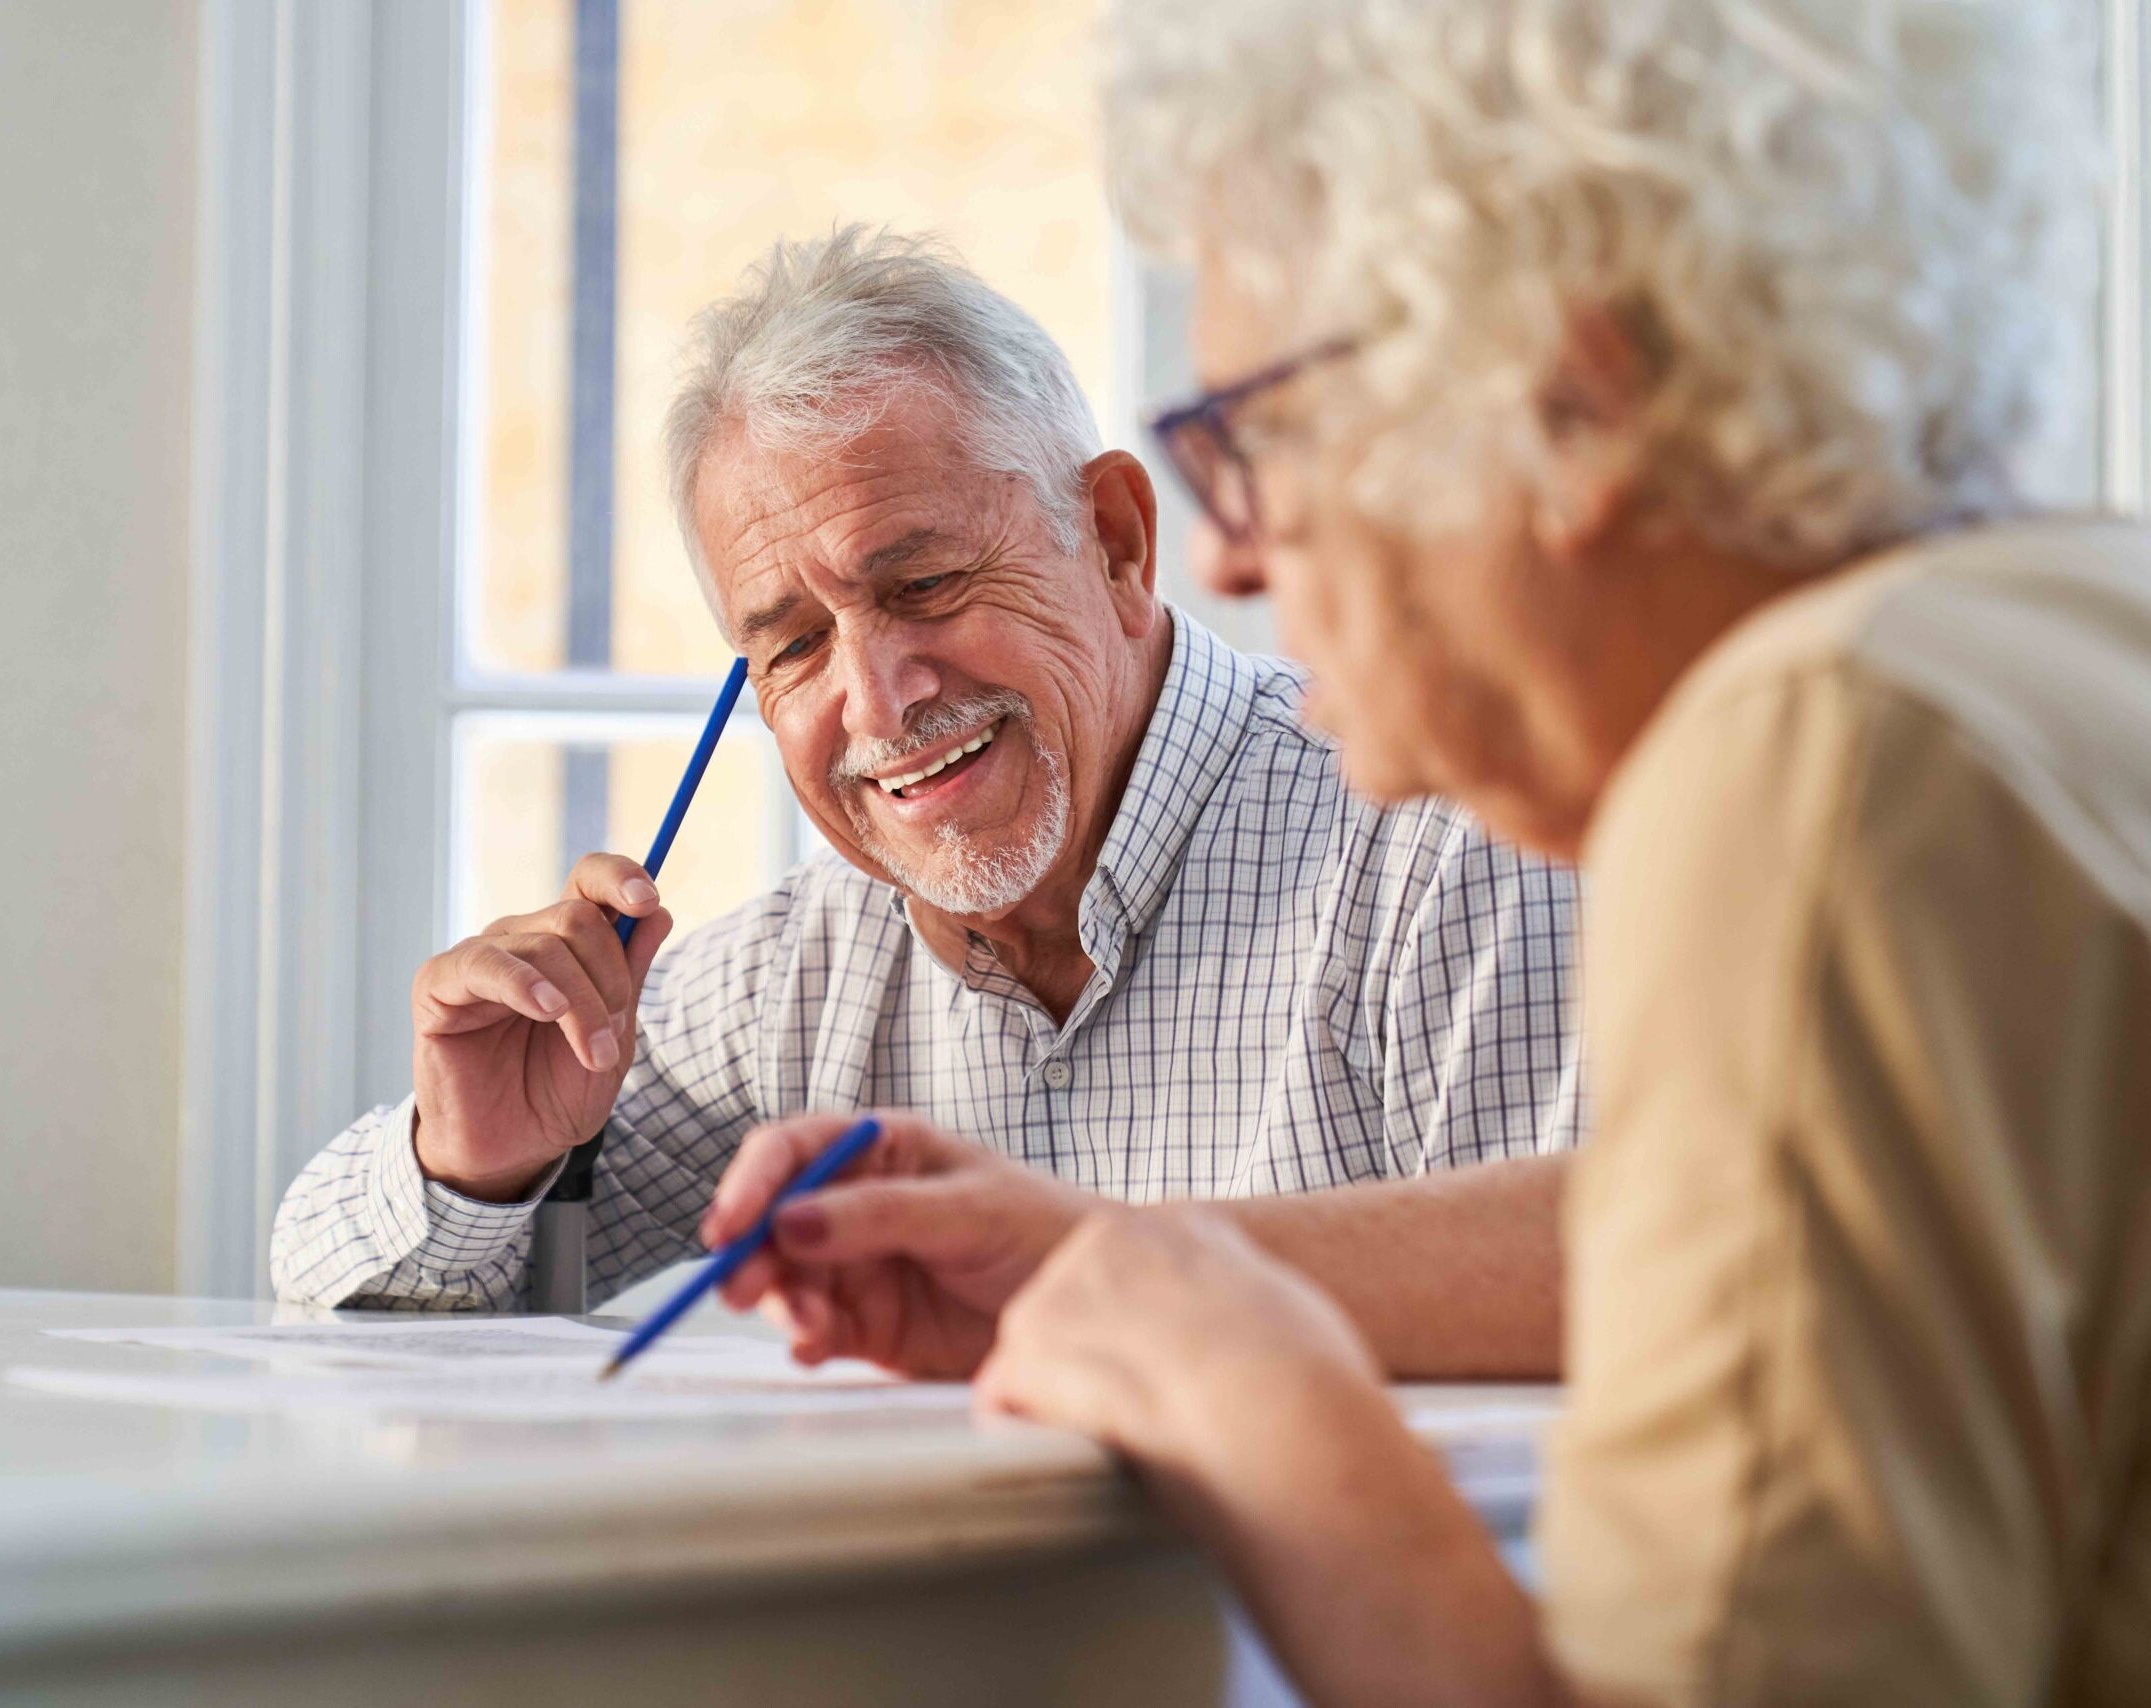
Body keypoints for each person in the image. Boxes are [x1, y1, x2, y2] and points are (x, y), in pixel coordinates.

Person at [703, 1, 2151, 1702]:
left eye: (1259, 437)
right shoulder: (2060, 640)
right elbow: (1744, 1244)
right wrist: (1134, 1263)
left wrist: (1255, 1403)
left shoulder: (1804, 758)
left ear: (1572, 400)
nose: (1233, 569)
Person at [270, 227, 1581, 1382]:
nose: (880, 700)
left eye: (926, 584)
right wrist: (476, 1161)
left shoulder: (1451, 856)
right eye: (789, 647)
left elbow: (1616, 1320)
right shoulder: (794, 975)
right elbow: (326, 1286)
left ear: (1117, 541)